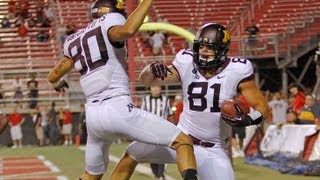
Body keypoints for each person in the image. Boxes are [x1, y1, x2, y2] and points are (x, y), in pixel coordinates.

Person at [46, 1, 198, 180]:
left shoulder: (75, 38)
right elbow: (127, 30)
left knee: (92, 174)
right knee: (183, 141)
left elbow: (53, 76)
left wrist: (57, 84)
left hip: (93, 118)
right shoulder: (109, 23)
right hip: (118, 109)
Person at [111, 23, 270, 180]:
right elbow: (148, 81)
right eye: (201, 46)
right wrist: (150, 70)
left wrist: (249, 119)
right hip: (180, 141)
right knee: (131, 154)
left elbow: (262, 107)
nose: (203, 51)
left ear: (222, 49)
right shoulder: (186, 61)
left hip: (213, 149)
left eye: (209, 47)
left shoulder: (237, 69)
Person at [140, 85, 174, 180]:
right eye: (153, 87)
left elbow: (170, 114)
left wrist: (174, 128)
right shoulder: (145, 100)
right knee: (151, 153)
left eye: (157, 87)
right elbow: (142, 116)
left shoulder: (165, 100)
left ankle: (160, 175)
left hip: (162, 130)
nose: (155, 89)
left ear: (160, 89)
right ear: (150, 89)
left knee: (162, 152)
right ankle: (156, 174)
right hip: (149, 131)